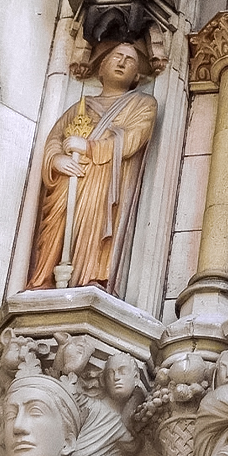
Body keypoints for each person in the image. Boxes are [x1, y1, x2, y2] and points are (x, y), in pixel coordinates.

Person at [26, 38, 159, 292]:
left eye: (130, 60)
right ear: (101, 68)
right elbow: (54, 139)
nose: (122, 62)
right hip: (69, 178)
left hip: (103, 181)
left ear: (136, 76)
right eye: (116, 56)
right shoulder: (79, 107)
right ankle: (43, 280)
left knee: (94, 228)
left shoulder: (143, 104)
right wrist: (57, 159)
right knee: (55, 229)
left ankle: (90, 278)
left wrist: (88, 147)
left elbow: (132, 138)